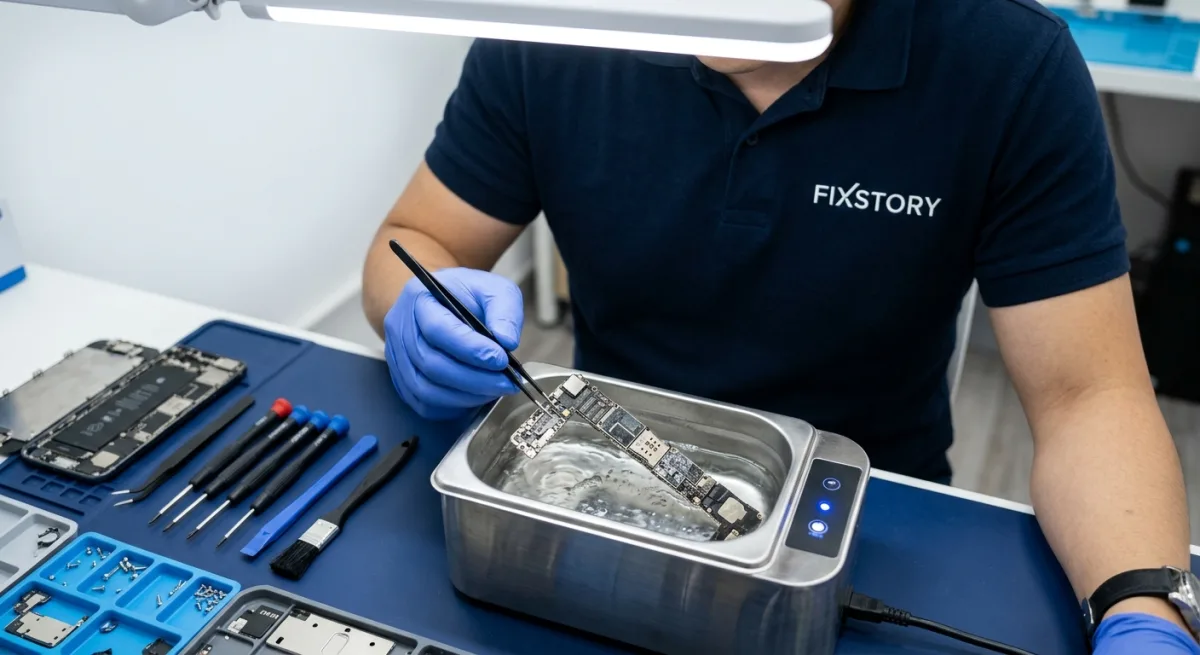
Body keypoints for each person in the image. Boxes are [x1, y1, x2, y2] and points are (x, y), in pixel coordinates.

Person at [362, 0, 1197, 651]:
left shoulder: (1006, 63)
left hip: (868, 521)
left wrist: (1144, 605)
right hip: (597, 500)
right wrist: (418, 310)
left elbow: (1089, 396)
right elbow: (416, 240)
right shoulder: (556, 31)